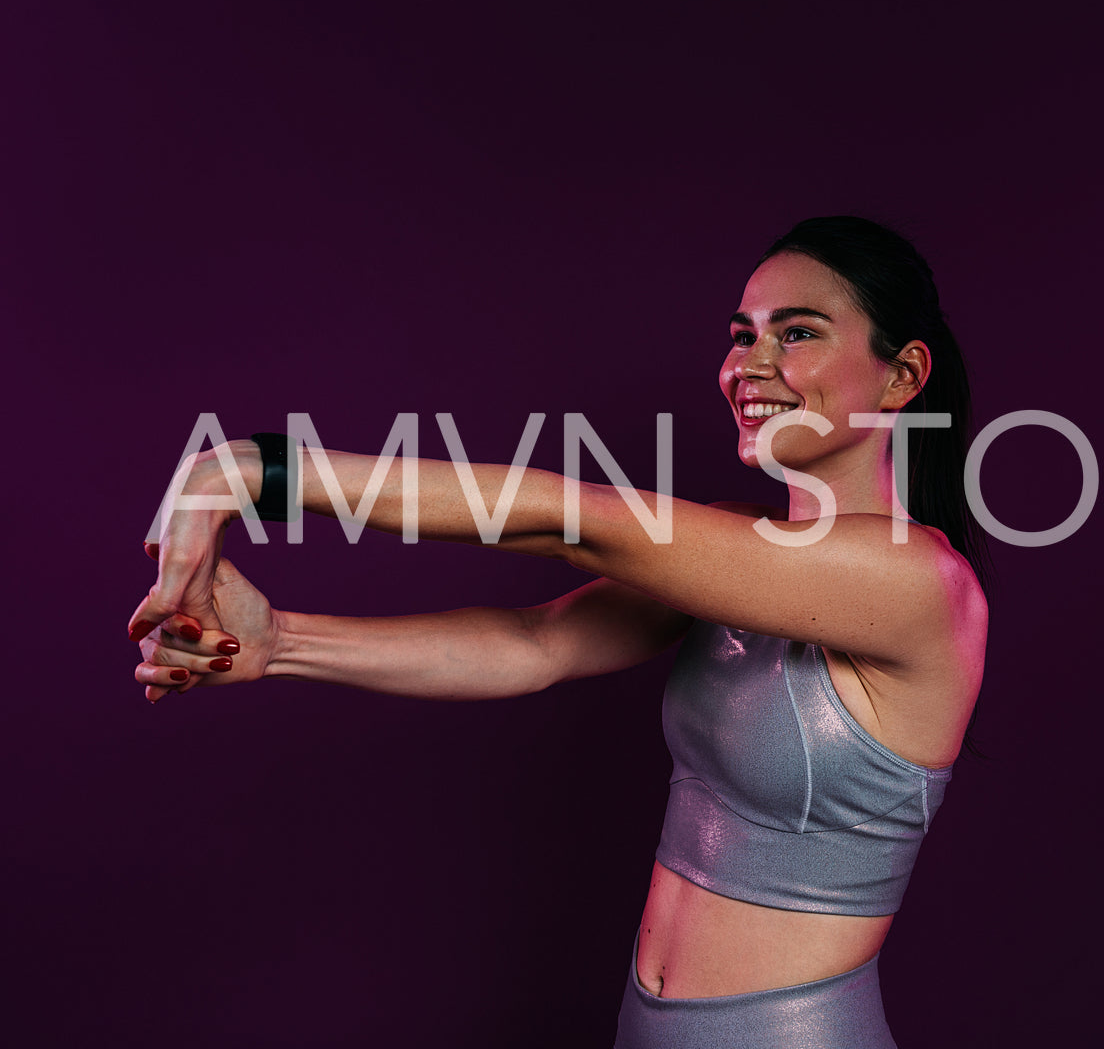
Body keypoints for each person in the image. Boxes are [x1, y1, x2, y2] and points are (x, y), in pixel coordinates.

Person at [128, 216, 990, 1048]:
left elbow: (574, 522)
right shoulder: (738, 548)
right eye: (741, 334)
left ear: (901, 376)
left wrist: (249, 470)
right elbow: (532, 647)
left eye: (796, 333)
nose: (748, 365)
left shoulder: (918, 583)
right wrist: (280, 642)